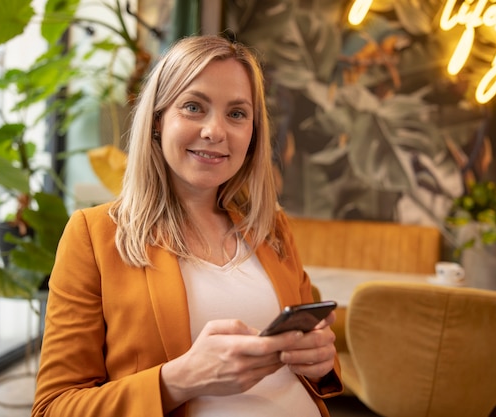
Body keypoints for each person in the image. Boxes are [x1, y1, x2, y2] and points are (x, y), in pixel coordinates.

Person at [31, 34, 342, 417]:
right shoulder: (93, 236)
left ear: (253, 132)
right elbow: (53, 408)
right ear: (158, 120)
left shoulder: (271, 227)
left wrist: (321, 360)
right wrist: (178, 380)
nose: (216, 131)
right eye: (194, 107)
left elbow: (319, 370)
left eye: (237, 113)